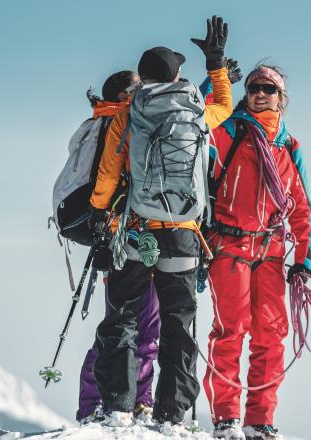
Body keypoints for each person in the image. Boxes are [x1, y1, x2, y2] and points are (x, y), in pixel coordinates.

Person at [86, 16, 234, 432]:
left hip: (136, 231)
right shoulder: (198, 113)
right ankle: (172, 414)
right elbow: (225, 101)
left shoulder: (129, 115)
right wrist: (217, 63)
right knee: (178, 324)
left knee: (123, 319)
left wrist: (101, 215)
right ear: (176, 75)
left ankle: (118, 405)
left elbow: (108, 174)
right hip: (185, 235)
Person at [202, 64, 311, 440]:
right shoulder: (227, 133)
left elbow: (301, 209)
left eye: (269, 89)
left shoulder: (288, 146)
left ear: (282, 98)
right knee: (230, 331)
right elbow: (194, 119)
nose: (260, 94)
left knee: (270, 335)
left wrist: (303, 262)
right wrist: (213, 75)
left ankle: (260, 421)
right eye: (254, 88)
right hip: (229, 246)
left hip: (270, 249)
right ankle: (226, 420)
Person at [75, 70, 161, 424]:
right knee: (131, 326)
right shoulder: (116, 124)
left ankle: (123, 399)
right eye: (139, 89)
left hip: (127, 236)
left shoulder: (112, 122)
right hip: (127, 237)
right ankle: (116, 400)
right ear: (126, 95)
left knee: (127, 325)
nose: (145, 94)